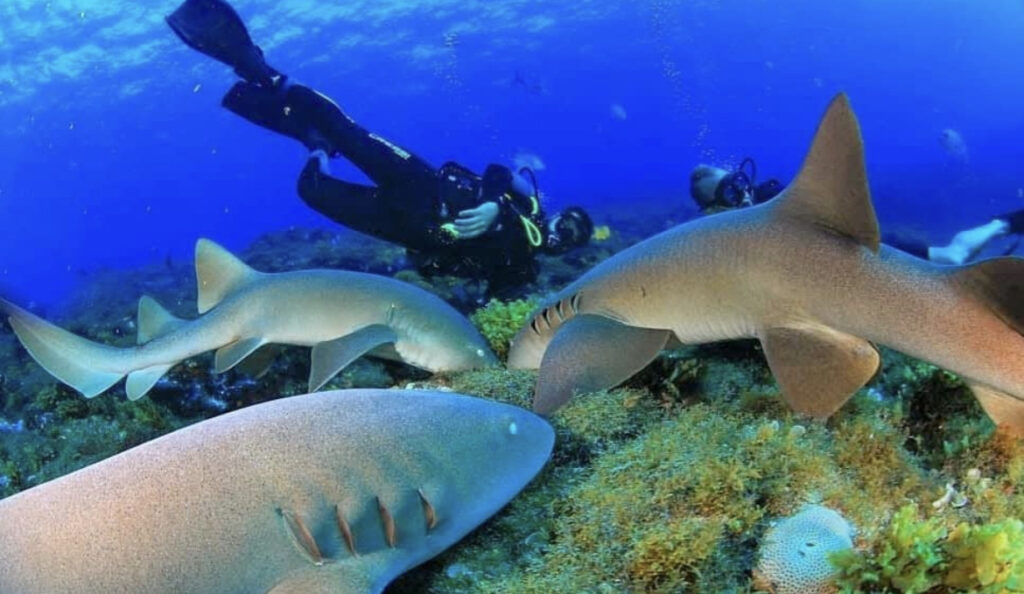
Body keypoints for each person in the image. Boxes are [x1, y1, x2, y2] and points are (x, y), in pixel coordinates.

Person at [165, 0, 594, 298]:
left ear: (569, 250)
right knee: (344, 128)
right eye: (568, 222)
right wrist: (493, 206)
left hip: (402, 227)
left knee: (311, 190)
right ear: (558, 214)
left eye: (572, 237)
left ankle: (315, 145)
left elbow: (491, 300)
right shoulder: (527, 207)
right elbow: (501, 169)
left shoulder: (522, 270)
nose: (565, 232)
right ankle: (263, 71)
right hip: (421, 183)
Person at [689, 159, 1023, 265]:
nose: (743, 192)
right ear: (713, 211)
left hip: (861, 244)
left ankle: (1002, 224)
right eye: (730, 192)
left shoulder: (775, 199)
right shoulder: (722, 244)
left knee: (952, 258)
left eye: (738, 181)